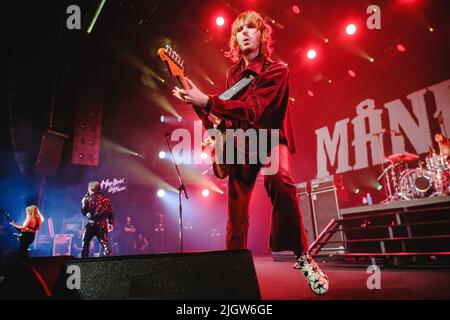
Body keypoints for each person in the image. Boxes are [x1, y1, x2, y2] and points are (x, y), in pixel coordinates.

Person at [172, 11, 328, 295]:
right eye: (239, 29)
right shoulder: (232, 74)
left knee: (279, 180)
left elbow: (254, 109)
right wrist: (204, 111)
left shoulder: (277, 70)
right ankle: (233, 268)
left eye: (250, 28)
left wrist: (208, 100)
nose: (244, 32)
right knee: (236, 211)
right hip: (243, 143)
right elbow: (231, 116)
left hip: (271, 139)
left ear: (262, 36)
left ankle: (303, 256)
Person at [81, 181, 114, 258]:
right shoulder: (107, 199)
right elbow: (111, 213)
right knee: (105, 246)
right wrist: (110, 223)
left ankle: (83, 263)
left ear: (90, 189)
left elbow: (84, 212)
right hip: (102, 224)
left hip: (91, 224)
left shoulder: (88, 199)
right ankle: (109, 263)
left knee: (85, 245)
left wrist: (83, 203)